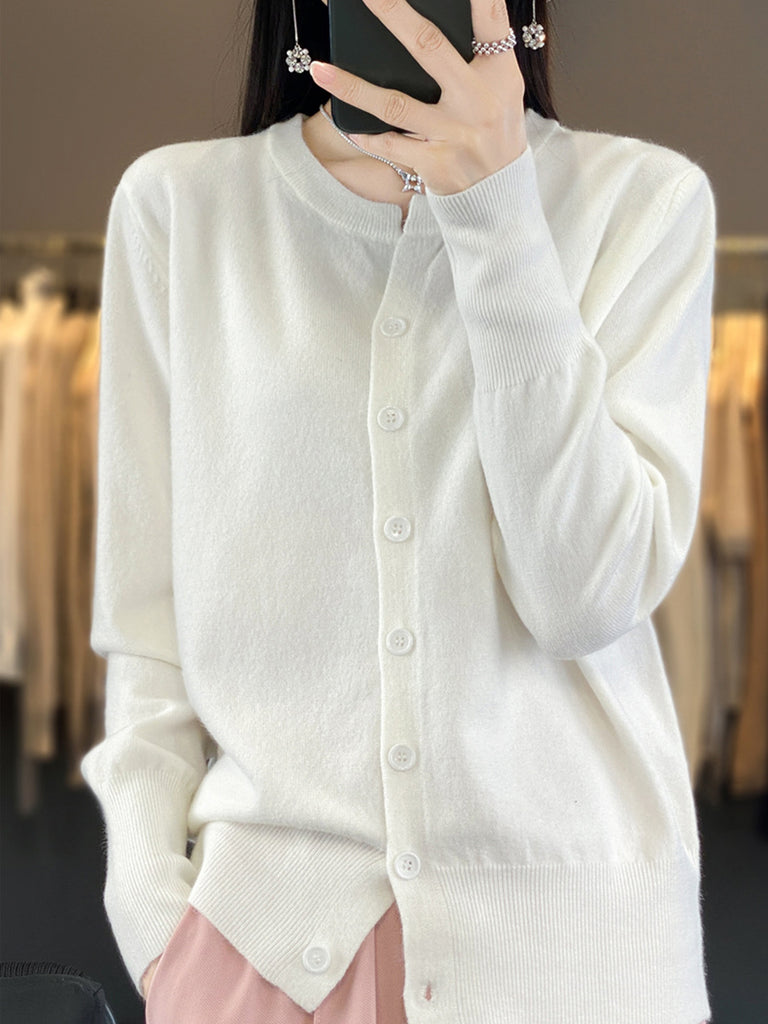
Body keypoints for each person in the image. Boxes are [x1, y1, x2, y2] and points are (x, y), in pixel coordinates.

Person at [80, 0, 716, 1022]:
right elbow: (147, 628)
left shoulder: (643, 202)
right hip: (259, 958)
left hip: (579, 970)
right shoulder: (180, 208)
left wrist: (498, 208)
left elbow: (583, 597)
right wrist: (159, 928)